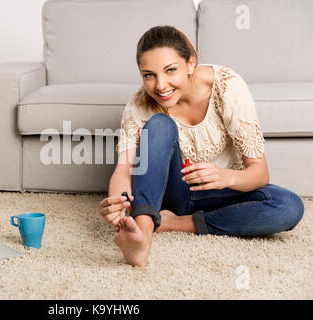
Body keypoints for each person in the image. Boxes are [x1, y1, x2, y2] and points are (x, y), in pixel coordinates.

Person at [99, 25, 304, 267]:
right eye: (149, 75)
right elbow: (124, 170)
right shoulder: (140, 104)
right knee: (159, 124)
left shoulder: (227, 87)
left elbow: (260, 173)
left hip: (223, 193)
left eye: (170, 70)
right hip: (171, 193)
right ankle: (142, 235)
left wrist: (225, 177)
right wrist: (117, 202)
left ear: (190, 63)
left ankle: (172, 223)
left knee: (288, 206)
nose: (160, 85)